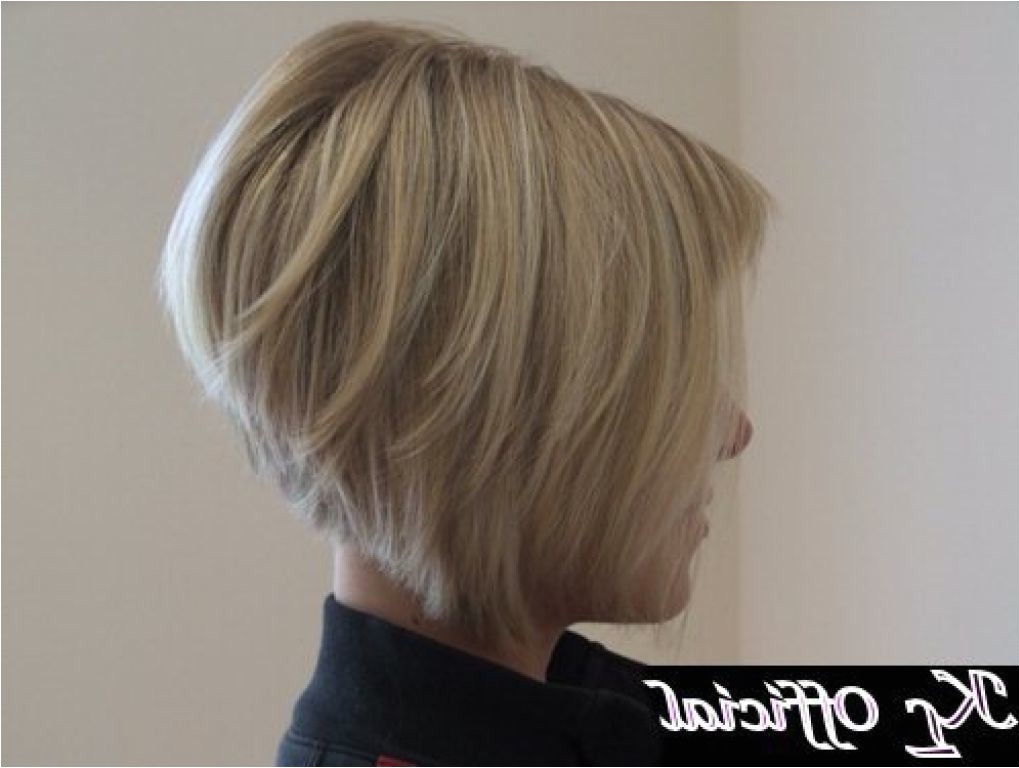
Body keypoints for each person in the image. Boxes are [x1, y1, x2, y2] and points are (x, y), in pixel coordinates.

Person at [158, 18, 773, 766]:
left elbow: (867, 719)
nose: (732, 431)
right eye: (670, 381)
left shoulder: (558, 707)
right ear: (495, 407)